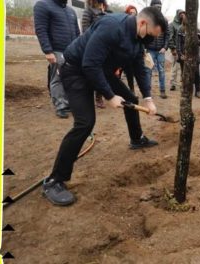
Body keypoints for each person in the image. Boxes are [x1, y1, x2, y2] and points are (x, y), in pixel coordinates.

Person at [42, 7, 166, 206]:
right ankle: (54, 180)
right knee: (85, 123)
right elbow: (89, 64)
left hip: (101, 70)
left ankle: (137, 139)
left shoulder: (137, 39)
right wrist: (109, 95)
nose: (150, 41)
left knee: (130, 99)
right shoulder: (112, 27)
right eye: (151, 35)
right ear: (142, 23)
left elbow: (139, 68)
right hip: (76, 70)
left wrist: (149, 97)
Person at [33, 0, 80, 118]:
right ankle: (61, 106)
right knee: (58, 78)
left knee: (70, 78)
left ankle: (67, 103)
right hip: (57, 50)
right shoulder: (43, 5)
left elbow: (77, 33)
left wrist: (78, 49)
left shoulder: (71, 11)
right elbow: (41, 29)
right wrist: (48, 51)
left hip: (71, 51)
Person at [81, 0, 110, 108]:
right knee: (90, 73)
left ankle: (99, 97)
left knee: (101, 73)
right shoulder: (87, 11)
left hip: (103, 48)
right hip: (91, 46)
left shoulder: (105, 11)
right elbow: (85, 31)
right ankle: (87, 97)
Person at [146, 0, 170, 99]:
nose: (158, 9)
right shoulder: (147, 19)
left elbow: (167, 35)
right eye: (156, 7)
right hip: (150, 50)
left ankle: (162, 91)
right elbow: (144, 35)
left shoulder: (164, 20)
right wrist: (145, 48)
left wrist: (165, 47)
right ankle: (147, 92)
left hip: (161, 50)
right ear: (152, 7)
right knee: (148, 71)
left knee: (161, 71)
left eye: (160, 7)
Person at [177, 17, 200, 98]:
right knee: (185, 74)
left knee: (196, 74)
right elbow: (178, 44)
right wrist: (181, 54)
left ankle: (197, 91)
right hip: (184, 56)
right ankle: (186, 91)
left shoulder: (197, 30)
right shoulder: (181, 29)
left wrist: (197, 40)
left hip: (195, 56)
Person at [168, 9, 186, 91]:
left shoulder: (185, 25)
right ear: (177, 15)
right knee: (175, 67)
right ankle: (173, 84)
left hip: (183, 51)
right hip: (175, 49)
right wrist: (173, 48)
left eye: (183, 13)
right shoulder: (172, 25)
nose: (182, 15)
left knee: (183, 69)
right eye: (180, 13)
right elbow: (170, 37)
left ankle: (183, 84)